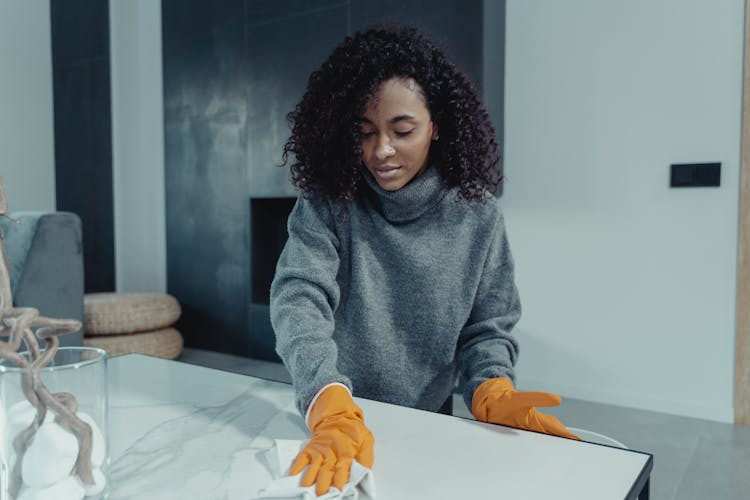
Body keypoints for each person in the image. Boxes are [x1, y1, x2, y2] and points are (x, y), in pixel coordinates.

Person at [270, 24, 578, 496]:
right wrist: (327, 402)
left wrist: (492, 386)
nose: (381, 151)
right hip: (335, 419)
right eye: (365, 132)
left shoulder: (478, 218)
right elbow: (298, 297)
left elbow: (487, 328)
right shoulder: (329, 202)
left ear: (436, 126)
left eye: (402, 129)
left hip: (429, 422)